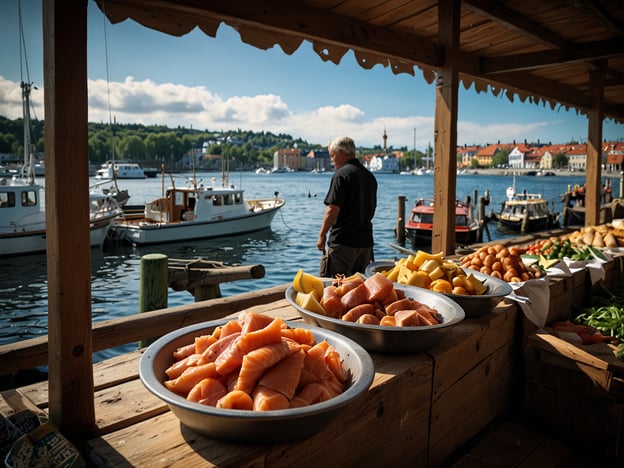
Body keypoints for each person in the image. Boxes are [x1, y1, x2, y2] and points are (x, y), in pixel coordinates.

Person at [316, 136, 378, 277]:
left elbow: (332, 209)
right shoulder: (369, 176)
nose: (332, 160)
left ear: (342, 153)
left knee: (334, 287)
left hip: (343, 243)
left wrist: (322, 235)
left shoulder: (341, 175)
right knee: (359, 287)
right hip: (365, 243)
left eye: (332, 155)